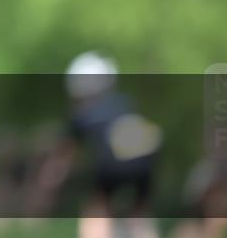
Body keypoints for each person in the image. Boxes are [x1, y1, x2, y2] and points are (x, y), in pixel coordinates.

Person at [39, 52, 162, 238]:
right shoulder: (124, 102)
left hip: (114, 157)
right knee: (139, 213)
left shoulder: (82, 114)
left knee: (98, 208)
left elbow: (63, 158)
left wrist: (48, 186)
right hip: (147, 155)